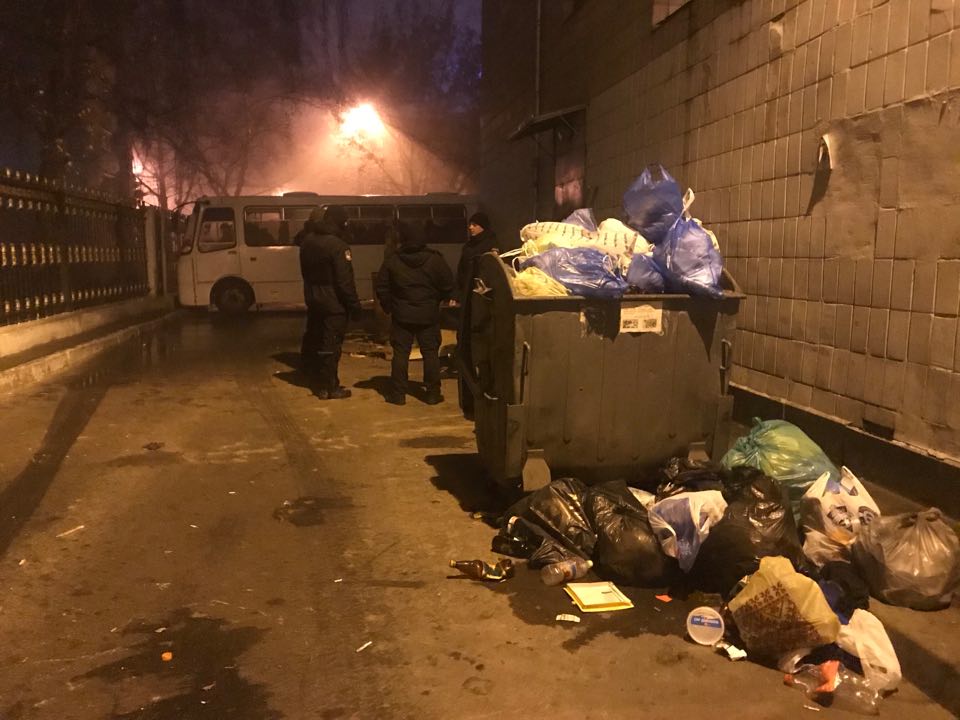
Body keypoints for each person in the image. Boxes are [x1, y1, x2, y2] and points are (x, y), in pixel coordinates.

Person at [375, 221, 455, 406]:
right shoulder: (435, 259)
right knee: (430, 353)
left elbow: (382, 286)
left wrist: (389, 307)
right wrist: (439, 300)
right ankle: (432, 393)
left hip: (402, 315)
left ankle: (398, 394)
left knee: (401, 353)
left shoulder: (393, 260)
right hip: (428, 315)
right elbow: (447, 284)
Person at [298, 206, 361, 399]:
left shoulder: (307, 241)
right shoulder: (338, 246)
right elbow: (344, 281)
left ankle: (316, 379)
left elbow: (305, 272)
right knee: (331, 344)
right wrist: (354, 305)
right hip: (334, 303)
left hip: (313, 297)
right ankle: (329, 386)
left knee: (316, 338)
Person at [455, 211, 499, 303]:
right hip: (467, 290)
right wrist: (456, 294)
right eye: (470, 224)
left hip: (484, 293)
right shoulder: (468, 246)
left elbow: (495, 271)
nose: (470, 227)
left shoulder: (492, 244)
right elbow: (461, 271)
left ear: (483, 227)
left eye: (474, 225)